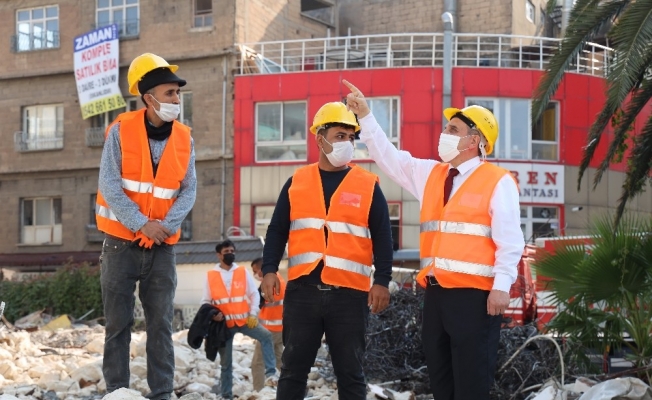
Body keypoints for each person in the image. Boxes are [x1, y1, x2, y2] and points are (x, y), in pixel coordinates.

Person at [343, 80, 524, 400]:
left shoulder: (498, 181)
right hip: (437, 296)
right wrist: (366, 117)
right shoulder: (433, 174)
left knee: (471, 385)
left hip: (476, 298)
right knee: (441, 380)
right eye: (447, 128)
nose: (445, 133)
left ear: (475, 140)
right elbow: (390, 158)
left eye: (453, 129)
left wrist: (502, 286)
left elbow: (510, 241)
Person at [261, 101, 394, 400]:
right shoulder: (296, 182)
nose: (347, 143)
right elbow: (277, 230)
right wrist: (269, 270)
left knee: (351, 373)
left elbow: (384, 237)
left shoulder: (367, 185)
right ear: (320, 139)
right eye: (340, 136)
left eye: (351, 137)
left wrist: (382, 281)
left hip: (349, 295)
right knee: (293, 371)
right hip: (303, 292)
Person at [96, 53, 196, 400]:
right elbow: (110, 185)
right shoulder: (120, 131)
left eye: (178, 93)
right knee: (117, 325)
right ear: (149, 97)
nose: (176, 100)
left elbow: (189, 190)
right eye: (170, 93)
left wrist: (163, 227)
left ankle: (162, 393)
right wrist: (142, 224)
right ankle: (117, 392)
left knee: (161, 325)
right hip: (120, 244)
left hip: (162, 247)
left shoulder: (185, 138)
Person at [200, 240, 279, 399]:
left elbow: (254, 294)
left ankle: (271, 373)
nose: (230, 254)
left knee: (266, 336)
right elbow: (205, 302)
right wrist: (213, 315)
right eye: (226, 252)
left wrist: (253, 313)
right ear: (219, 255)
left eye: (232, 251)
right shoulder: (211, 276)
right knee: (226, 364)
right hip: (225, 326)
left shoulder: (242, 272)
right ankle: (226, 395)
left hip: (244, 321)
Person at [250, 257, 285, 392]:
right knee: (279, 360)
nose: (255, 274)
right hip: (280, 329)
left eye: (255, 271)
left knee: (258, 362)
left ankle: (258, 391)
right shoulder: (279, 279)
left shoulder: (269, 283)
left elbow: (258, 301)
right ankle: (287, 388)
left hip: (269, 330)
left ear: (261, 268)